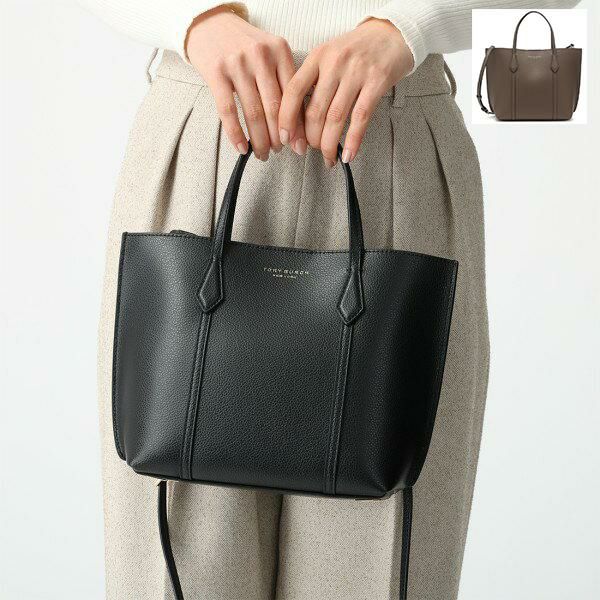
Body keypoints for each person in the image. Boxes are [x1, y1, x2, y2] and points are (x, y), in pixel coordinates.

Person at [84, 1, 579, 598]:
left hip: (392, 134)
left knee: (371, 566)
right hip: (208, 117)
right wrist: (194, 18)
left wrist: (413, 25)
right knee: (178, 565)